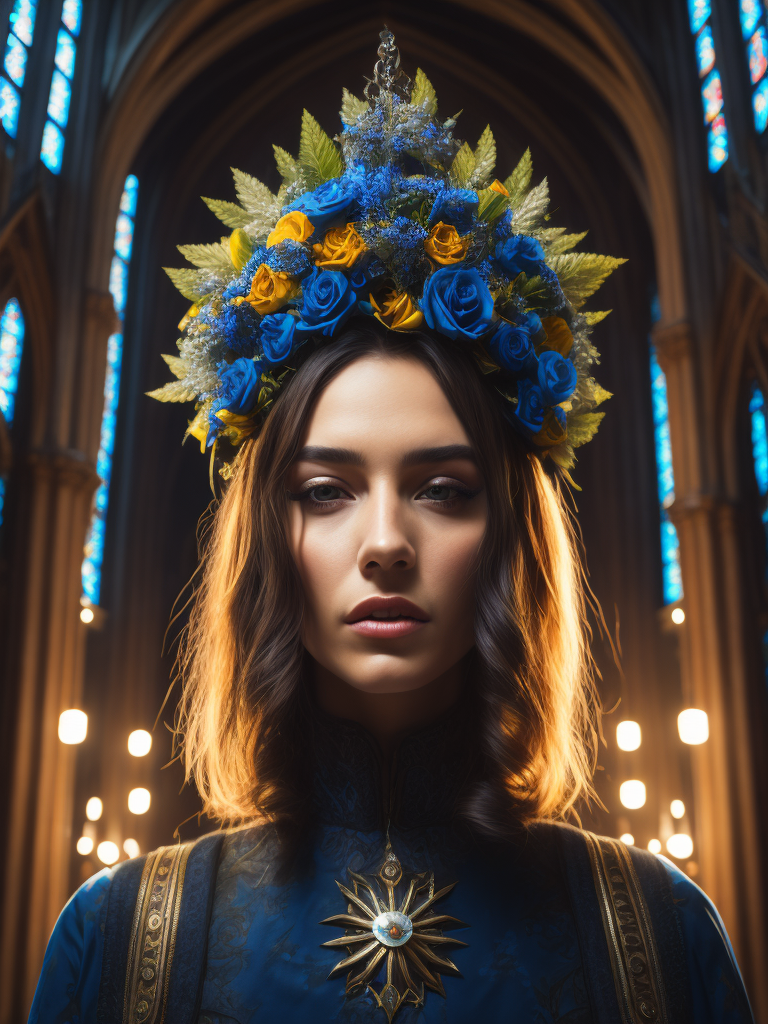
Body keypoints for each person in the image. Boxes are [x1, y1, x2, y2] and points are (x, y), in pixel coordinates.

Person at [30, 30, 754, 1024]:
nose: (385, 541)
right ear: (267, 535)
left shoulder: (661, 936)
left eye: (444, 489)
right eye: (327, 489)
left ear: (512, 536)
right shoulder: (120, 940)